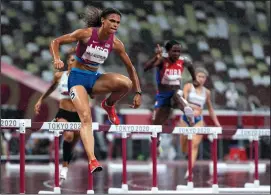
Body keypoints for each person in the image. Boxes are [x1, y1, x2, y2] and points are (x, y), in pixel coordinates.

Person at [50, 6, 142, 173]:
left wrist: (138, 92)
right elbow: (56, 41)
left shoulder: (116, 43)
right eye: (112, 21)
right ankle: (92, 160)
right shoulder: (85, 34)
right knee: (86, 118)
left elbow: (130, 67)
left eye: (118, 22)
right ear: (103, 21)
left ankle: (108, 105)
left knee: (126, 83)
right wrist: (56, 59)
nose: (115, 25)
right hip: (77, 79)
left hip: (94, 79)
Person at [34, 48, 80, 184]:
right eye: (72, 60)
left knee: (72, 143)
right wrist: (40, 100)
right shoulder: (59, 76)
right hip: (63, 113)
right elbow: (51, 88)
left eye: (77, 61)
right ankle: (62, 162)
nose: (74, 63)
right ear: (68, 62)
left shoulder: (83, 78)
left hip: (78, 114)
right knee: (68, 135)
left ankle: (65, 167)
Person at [144, 40, 199, 148]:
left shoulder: (183, 61)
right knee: (157, 121)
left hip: (176, 91)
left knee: (177, 96)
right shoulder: (162, 60)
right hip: (163, 94)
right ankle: (157, 137)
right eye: (174, 51)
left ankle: (188, 112)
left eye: (179, 51)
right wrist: (156, 57)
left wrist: (194, 79)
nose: (177, 54)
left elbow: (191, 65)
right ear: (168, 51)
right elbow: (146, 67)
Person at [179, 67, 221, 178]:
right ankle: (186, 153)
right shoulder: (188, 86)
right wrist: (194, 106)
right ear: (195, 77)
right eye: (199, 76)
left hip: (198, 121)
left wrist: (217, 124)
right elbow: (183, 101)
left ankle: (189, 170)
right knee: (184, 146)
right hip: (185, 118)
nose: (201, 79)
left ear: (206, 79)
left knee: (194, 145)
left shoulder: (207, 92)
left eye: (203, 77)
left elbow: (210, 109)